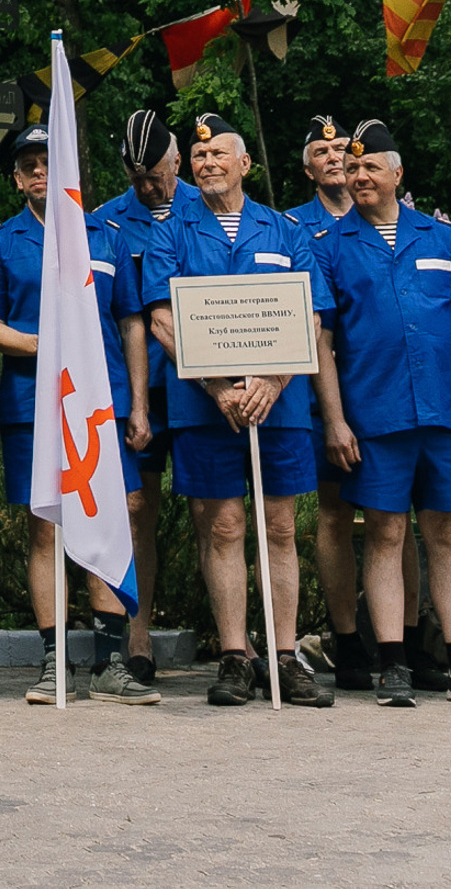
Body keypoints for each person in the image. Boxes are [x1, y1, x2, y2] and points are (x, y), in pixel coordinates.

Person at [311, 121, 451, 707]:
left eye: (371, 166)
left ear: (398, 174)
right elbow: (321, 340)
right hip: (376, 416)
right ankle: (394, 663)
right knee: (384, 532)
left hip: (447, 414)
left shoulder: (445, 239)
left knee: (446, 535)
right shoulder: (331, 247)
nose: (359, 176)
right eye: (352, 168)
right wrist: (336, 420)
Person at [142, 106, 334, 709]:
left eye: (218, 153)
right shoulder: (170, 231)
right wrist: (218, 386)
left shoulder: (286, 231)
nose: (207, 163)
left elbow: (312, 316)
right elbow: (161, 318)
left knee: (279, 528)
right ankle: (233, 657)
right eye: (198, 156)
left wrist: (272, 383)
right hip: (206, 408)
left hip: (280, 405)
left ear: (245, 163)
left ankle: (283, 656)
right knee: (223, 526)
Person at [0, 123, 156, 706]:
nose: (39, 172)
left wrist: (139, 404)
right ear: (16, 178)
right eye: (27, 165)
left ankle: (110, 662)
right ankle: (56, 663)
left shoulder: (106, 236)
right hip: (33, 406)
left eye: (48, 161)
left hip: (102, 406)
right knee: (46, 526)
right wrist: (47, 349)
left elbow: (131, 323)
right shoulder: (0, 243)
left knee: (111, 517)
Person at [97, 106, 180, 682]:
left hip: (205, 389)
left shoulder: (213, 211)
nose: (148, 187)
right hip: (142, 388)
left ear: (176, 159)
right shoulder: (107, 223)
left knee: (217, 515)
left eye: (156, 174)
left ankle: (238, 645)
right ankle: (138, 632)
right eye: (137, 178)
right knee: (137, 512)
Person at [291, 112, 371, 689]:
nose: (334, 158)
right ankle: (348, 640)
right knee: (335, 512)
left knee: (399, 517)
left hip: (385, 384)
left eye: (342, 148)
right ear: (308, 167)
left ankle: (407, 637)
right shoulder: (295, 228)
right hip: (327, 392)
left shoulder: (387, 217)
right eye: (322, 152)